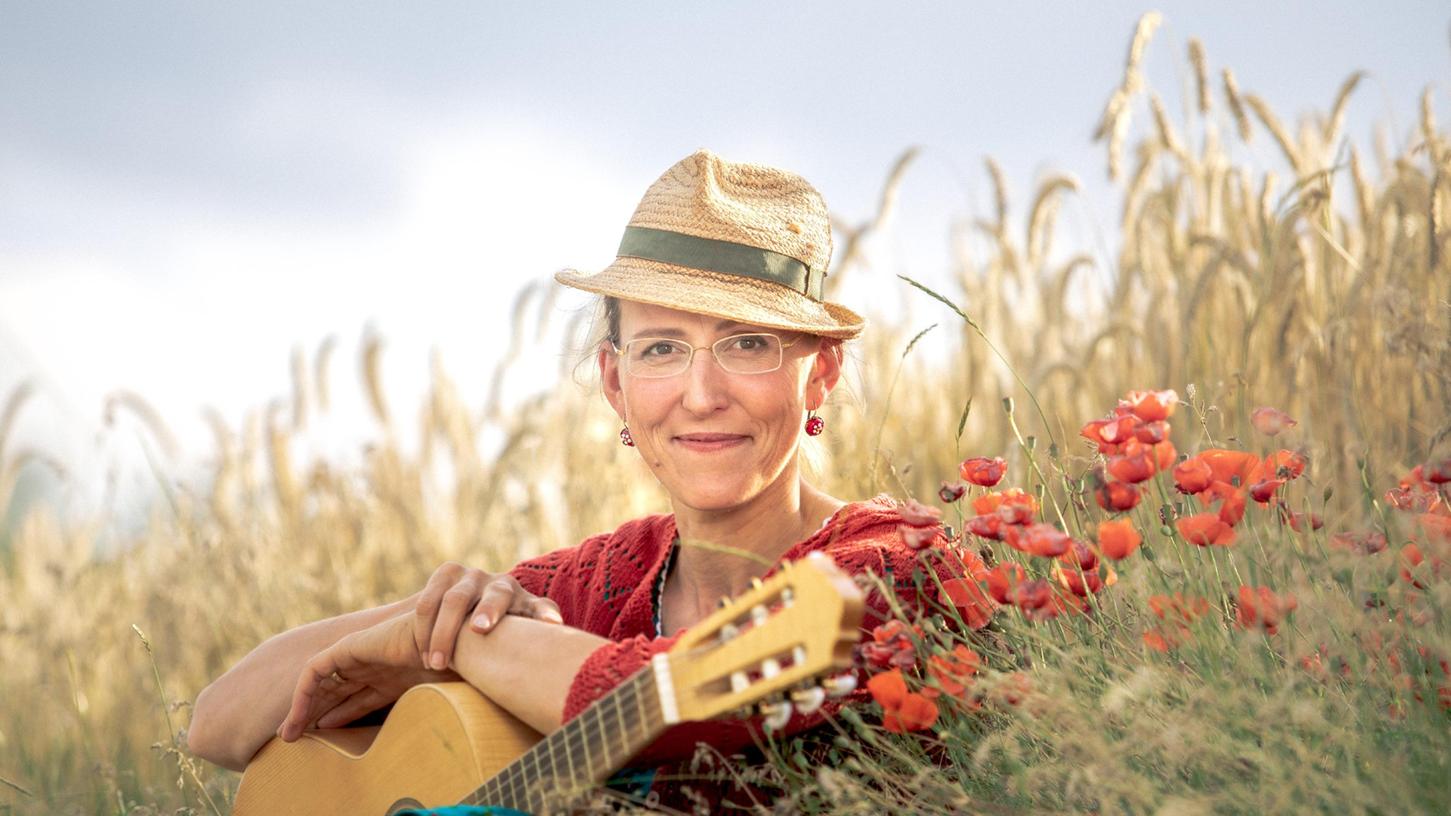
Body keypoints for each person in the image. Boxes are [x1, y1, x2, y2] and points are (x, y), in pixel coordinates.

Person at [187, 149, 986, 811]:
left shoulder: (893, 565)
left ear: (820, 377)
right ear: (614, 383)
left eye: (748, 345)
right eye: (661, 349)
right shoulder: (598, 584)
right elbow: (217, 728)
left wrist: (453, 640)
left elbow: (674, 698)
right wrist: (413, 630)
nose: (700, 395)